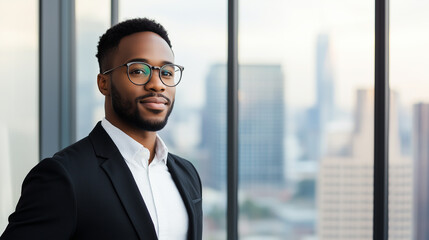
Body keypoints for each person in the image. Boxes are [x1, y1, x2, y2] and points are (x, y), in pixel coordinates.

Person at [1, 18, 202, 240]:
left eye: (166, 72)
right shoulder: (64, 176)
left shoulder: (187, 174)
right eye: (138, 71)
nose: (157, 84)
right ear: (103, 83)